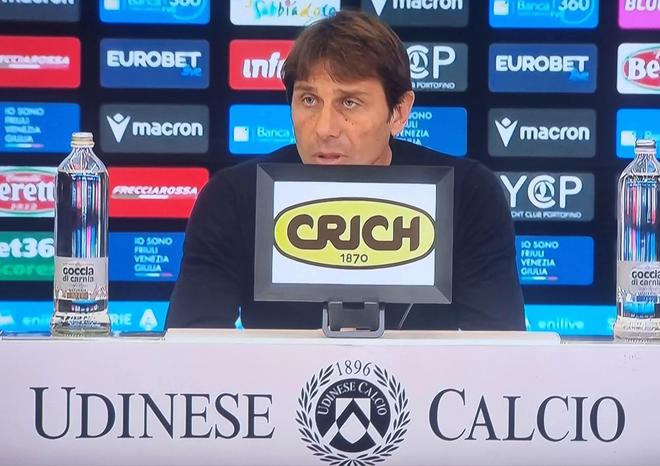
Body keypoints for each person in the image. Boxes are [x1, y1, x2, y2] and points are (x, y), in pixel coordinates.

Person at [166, 10, 525, 331]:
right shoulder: (232, 197)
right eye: (309, 100)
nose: (325, 128)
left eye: (349, 103)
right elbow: (190, 352)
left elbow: (501, 356)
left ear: (399, 112)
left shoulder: (469, 195)